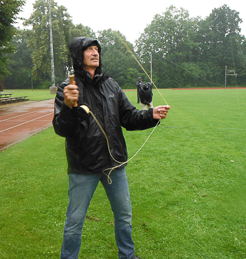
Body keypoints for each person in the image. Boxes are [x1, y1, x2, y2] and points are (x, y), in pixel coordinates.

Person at [52, 36, 170, 259]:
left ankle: (127, 255)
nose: (95, 53)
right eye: (89, 50)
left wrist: (150, 115)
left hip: (114, 164)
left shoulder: (111, 85)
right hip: (83, 167)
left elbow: (128, 116)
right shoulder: (69, 88)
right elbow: (61, 128)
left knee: (124, 215)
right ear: (79, 55)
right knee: (74, 221)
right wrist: (68, 106)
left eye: (97, 50)